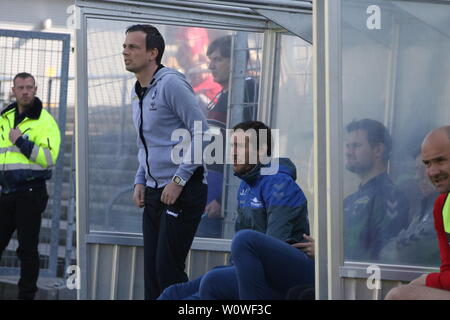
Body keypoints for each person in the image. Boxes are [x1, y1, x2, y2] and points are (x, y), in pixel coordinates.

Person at [158, 120, 310, 299]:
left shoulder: (280, 184)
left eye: (238, 146)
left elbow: (272, 250)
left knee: (217, 276)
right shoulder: (245, 186)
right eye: (231, 146)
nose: (232, 153)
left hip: (282, 275)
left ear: (261, 150)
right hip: (249, 271)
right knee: (172, 293)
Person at [123, 24, 209, 300]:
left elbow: (203, 132)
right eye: (124, 47)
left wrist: (179, 179)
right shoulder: (138, 90)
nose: (125, 52)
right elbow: (148, 143)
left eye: (133, 47)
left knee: (167, 271)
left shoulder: (171, 83)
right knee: (152, 273)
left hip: (183, 189)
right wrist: (140, 179)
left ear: (153, 53)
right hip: (153, 189)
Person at [0, 72, 61, 300]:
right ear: (13, 91)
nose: (25, 91)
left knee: (27, 250)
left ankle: (26, 296)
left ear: (35, 90)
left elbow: (49, 157)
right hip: (6, 191)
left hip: (30, 192)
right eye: (20, 87)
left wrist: (21, 141)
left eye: (29, 87)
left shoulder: (45, 120)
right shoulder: (4, 118)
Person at [196, 35, 258, 238]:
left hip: (227, 200)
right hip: (210, 195)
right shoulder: (221, 95)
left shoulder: (249, 91)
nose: (211, 66)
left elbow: (249, 151)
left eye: (218, 59)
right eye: (210, 60)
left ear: (237, 60)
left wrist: (224, 200)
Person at [385, 126, 450, 300]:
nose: (432, 172)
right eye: (427, 163)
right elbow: (447, 270)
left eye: (440, 160)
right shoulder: (440, 205)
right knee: (400, 294)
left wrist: (426, 279)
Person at [343, 119, 409, 262]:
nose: (348, 152)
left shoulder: (390, 197)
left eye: (355, 146)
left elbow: (385, 256)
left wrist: (329, 256)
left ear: (378, 150)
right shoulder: (349, 201)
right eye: (347, 146)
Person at [380, 150, 440, 266]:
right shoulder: (425, 207)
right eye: (416, 170)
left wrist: (395, 248)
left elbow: (407, 253)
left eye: (424, 168)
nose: (418, 177)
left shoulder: (444, 207)